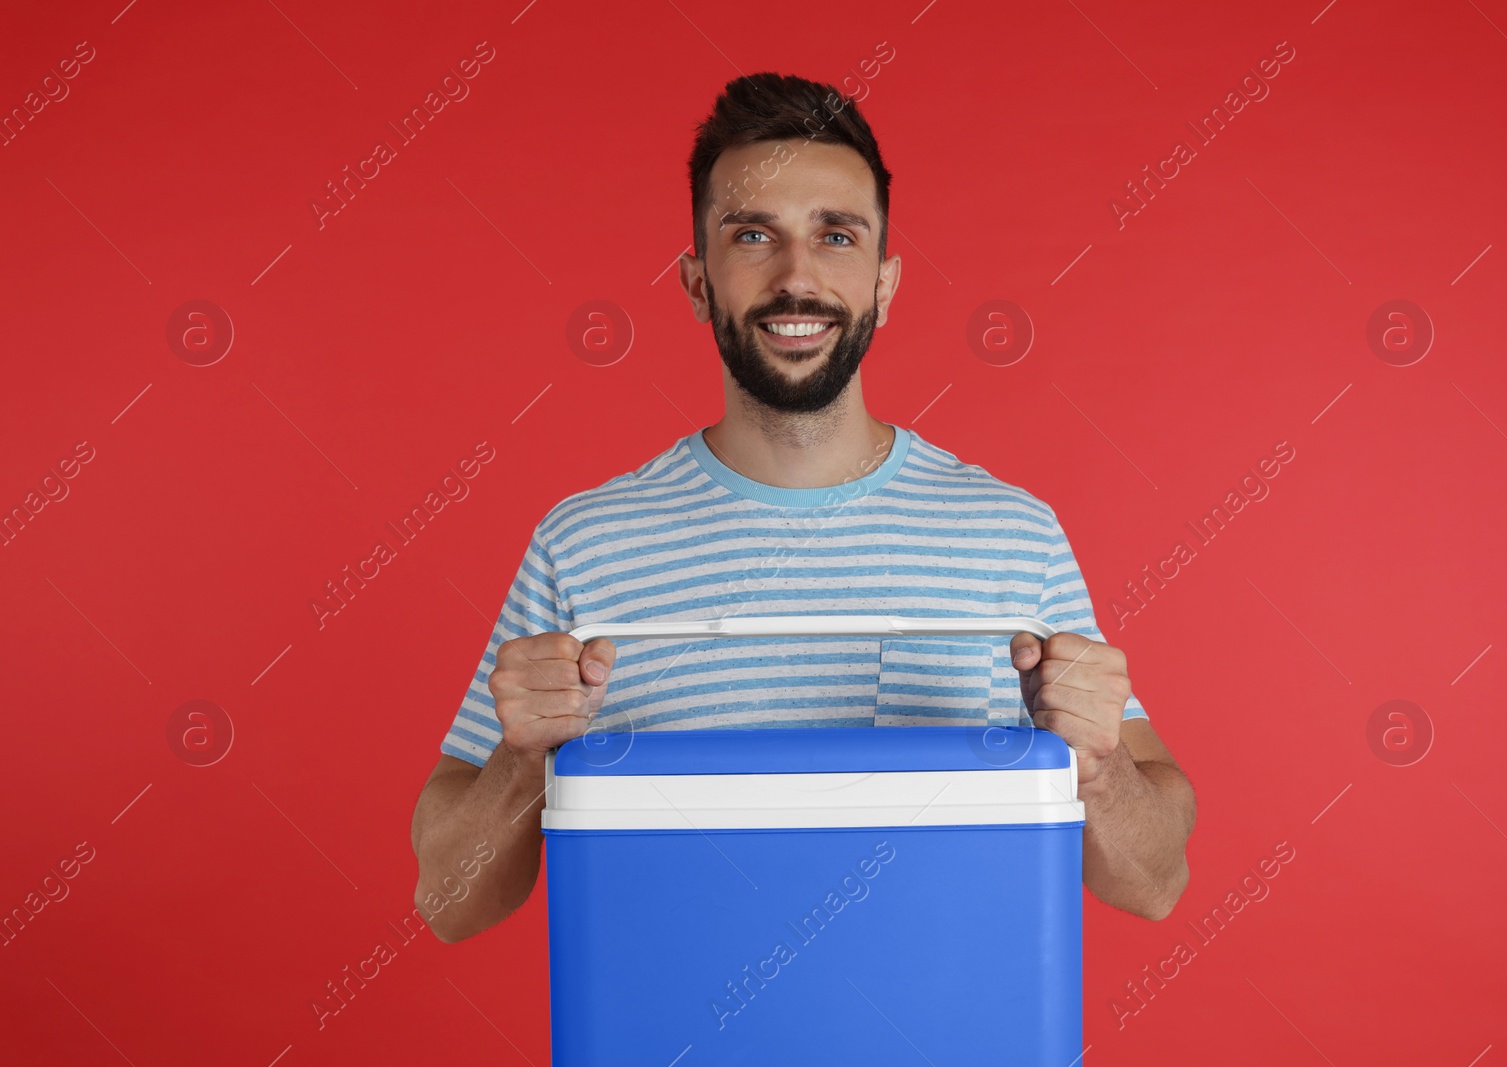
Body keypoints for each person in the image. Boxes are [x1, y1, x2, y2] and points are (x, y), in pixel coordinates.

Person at [410, 72, 1195, 943]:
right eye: (753, 235)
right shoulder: (583, 545)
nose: (797, 276)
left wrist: (1100, 763)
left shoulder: (1012, 534)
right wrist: (522, 765)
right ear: (698, 281)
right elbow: (448, 904)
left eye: (837, 235)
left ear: (885, 283)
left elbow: (1155, 882)